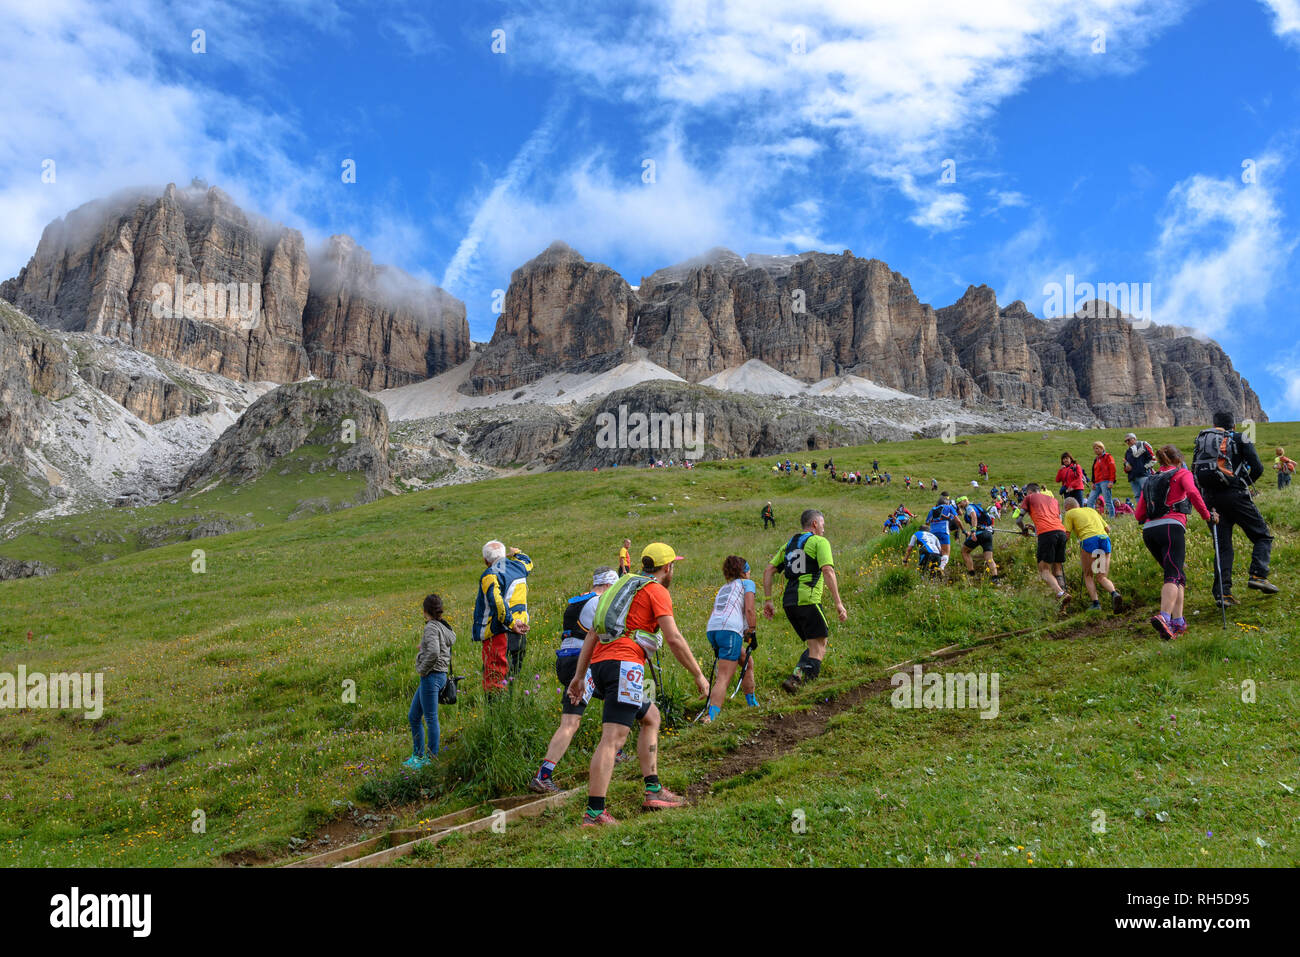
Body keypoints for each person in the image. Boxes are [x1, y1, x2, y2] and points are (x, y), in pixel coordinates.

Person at [567, 543, 710, 826]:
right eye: (673, 566)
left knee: (651, 717)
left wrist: (580, 676)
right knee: (613, 739)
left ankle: (653, 790)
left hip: (602, 663)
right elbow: (674, 638)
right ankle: (594, 813)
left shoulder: (621, 587)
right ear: (667, 567)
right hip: (626, 666)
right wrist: (698, 674)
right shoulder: (657, 591)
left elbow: (593, 634)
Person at [529, 568, 619, 793]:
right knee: (571, 722)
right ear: (609, 585)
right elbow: (607, 634)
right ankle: (543, 775)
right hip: (583, 663)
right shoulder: (600, 601)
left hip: (565, 662)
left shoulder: (577, 601)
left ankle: (615, 751)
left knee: (613, 692)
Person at [1192, 412, 1277, 603]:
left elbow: (1195, 471)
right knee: (1262, 535)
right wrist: (1242, 482)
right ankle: (1258, 575)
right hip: (1236, 495)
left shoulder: (1203, 440)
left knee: (1223, 547)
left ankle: (1223, 594)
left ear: (1214, 425)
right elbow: (1258, 467)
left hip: (1211, 499)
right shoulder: (1240, 438)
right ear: (1234, 426)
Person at [763, 509, 848, 693]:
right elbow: (828, 571)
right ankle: (805, 687)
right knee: (820, 644)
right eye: (823, 525)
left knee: (815, 643)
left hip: (789, 602)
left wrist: (768, 600)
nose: (824, 530)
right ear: (815, 524)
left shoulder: (789, 545)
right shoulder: (819, 541)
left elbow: (768, 570)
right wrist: (838, 603)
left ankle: (796, 677)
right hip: (808, 599)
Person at [1138, 444, 1217, 638]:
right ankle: (1164, 617)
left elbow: (1139, 512)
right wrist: (1207, 516)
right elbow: (1193, 493)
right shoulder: (1182, 473)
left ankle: (1178, 621)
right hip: (1171, 526)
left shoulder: (1150, 479)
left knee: (1177, 573)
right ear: (1179, 459)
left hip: (1149, 531)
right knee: (1172, 575)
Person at [703, 557, 759, 722]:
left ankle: (752, 704)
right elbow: (749, 609)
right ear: (743, 571)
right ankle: (711, 717)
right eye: (748, 570)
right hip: (729, 630)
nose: (749, 572)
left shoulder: (724, 588)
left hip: (713, 629)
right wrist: (752, 631)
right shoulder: (747, 584)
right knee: (724, 677)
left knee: (747, 662)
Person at [472, 541, 533, 691]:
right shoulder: (520, 566)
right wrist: (517, 552)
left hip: (499, 634)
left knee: (495, 681)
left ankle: (495, 713)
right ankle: (509, 709)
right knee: (512, 678)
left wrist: (511, 623)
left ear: (485, 560)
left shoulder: (490, 575)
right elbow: (528, 562)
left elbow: (498, 603)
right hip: (520, 634)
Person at [405, 594, 456, 769]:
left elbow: (434, 651)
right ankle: (418, 756)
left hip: (431, 676)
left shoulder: (431, 627)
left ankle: (430, 759)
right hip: (439, 676)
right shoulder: (444, 626)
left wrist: (422, 669)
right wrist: (424, 647)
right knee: (414, 716)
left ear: (425, 610)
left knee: (430, 718)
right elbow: (440, 646)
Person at [1061, 499, 1122, 612]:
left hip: (1089, 541)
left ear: (1066, 508)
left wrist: (1060, 546)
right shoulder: (1091, 510)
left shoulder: (1069, 513)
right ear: (1078, 505)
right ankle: (1114, 593)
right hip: (1104, 539)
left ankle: (1096, 604)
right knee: (1101, 576)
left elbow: (1067, 535)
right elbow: (1108, 529)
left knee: (1088, 575)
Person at [1021, 483, 1070, 606]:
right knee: (1057, 568)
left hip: (1047, 534)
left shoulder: (1029, 498)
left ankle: (1061, 594)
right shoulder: (1053, 500)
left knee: (1044, 570)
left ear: (1030, 492)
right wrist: (1036, 528)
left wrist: (1024, 530)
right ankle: (1063, 602)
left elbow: (1018, 519)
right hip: (1061, 532)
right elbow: (1056, 519)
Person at [958, 496, 999, 582]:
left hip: (978, 533)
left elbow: (974, 516)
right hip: (987, 533)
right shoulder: (976, 507)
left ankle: (972, 574)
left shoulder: (969, 507)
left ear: (965, 500)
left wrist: (973, 531)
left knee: (964, 551)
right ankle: (995, 578)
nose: (959, 505)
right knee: (989, 558)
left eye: (960, 502)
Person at [923, 494, 959, 572]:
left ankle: (932, 568)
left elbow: (927, 523)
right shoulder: (949, 507)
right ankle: (941, 568)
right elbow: (956, 519)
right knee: (946, 553)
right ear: (947, 503)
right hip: (943, 532)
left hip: (932, 533)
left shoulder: (932, 510)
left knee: (936, 552)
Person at [1086, 441, 1117, 517]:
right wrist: (1093, 482)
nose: (1095, 450)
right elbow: (1094, 472)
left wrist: (1111, 481)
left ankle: (1112, 518)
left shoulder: (1108, 457)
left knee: (1108, 501)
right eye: (1094, 449)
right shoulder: (1096, 459)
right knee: (1090, 501)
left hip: (1105, 481)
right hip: (1096, 483)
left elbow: (1112, 469)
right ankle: (1092, 517)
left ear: (1102, 448)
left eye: (1097, 448)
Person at [1123, 433, 1157, 501]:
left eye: (1128, 440)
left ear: (1134, 439)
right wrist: (1126, 468)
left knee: (1147, 494)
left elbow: (1153, 459)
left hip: (1144, 475)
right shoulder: (1128, 451)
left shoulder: (1143, 445)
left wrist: (1144, 468)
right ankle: (1140, 511)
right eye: (1126, 441)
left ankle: (1149, 510)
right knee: (1137, 496)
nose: (1127, 442)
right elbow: (1126, 464)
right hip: (1133, 477)